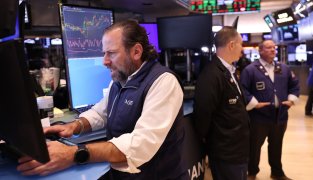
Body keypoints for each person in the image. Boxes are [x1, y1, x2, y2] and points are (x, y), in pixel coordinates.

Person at [17, 20, 188, 179]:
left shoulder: (163, 82)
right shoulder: (121, 80)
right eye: (104, 53)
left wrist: (73, 154)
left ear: (136, 51)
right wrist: (74, 126)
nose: (104, 61)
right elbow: (101, 113)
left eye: (111, 53)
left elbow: (139, 145)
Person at [193, 26, 250, 180]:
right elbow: (203, 114)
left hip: (237, 149)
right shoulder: (211, 75)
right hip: (226, 152)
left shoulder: (229, 70)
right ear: (231, 45)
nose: (242, 50)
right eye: (241, 45)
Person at [240, 40, 300, 180]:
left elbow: (294, 85)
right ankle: (251, 172)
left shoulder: (283, 68)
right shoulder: (250, 69)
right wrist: (254, 104)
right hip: (258, 117)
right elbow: (243, 90)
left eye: (274, 47)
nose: (273, 50)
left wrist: (291, 100)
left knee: (276, 145)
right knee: (254, 146)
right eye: (269, 47)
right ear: (260, 50)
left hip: (280, 116)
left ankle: (277, 172)